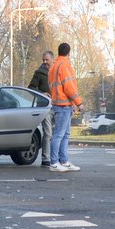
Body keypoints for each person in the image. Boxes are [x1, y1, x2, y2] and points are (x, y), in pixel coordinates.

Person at [44, 41, 82, 172]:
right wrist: (79, 103)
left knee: (63, 135)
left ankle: (64, 161)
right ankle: (54, 162)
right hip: (64, 105)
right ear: (69, 53)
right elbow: (69, 87)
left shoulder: (53, 67)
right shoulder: (65, 66)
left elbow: (53, 86)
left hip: (58, 104)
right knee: (60, 135)